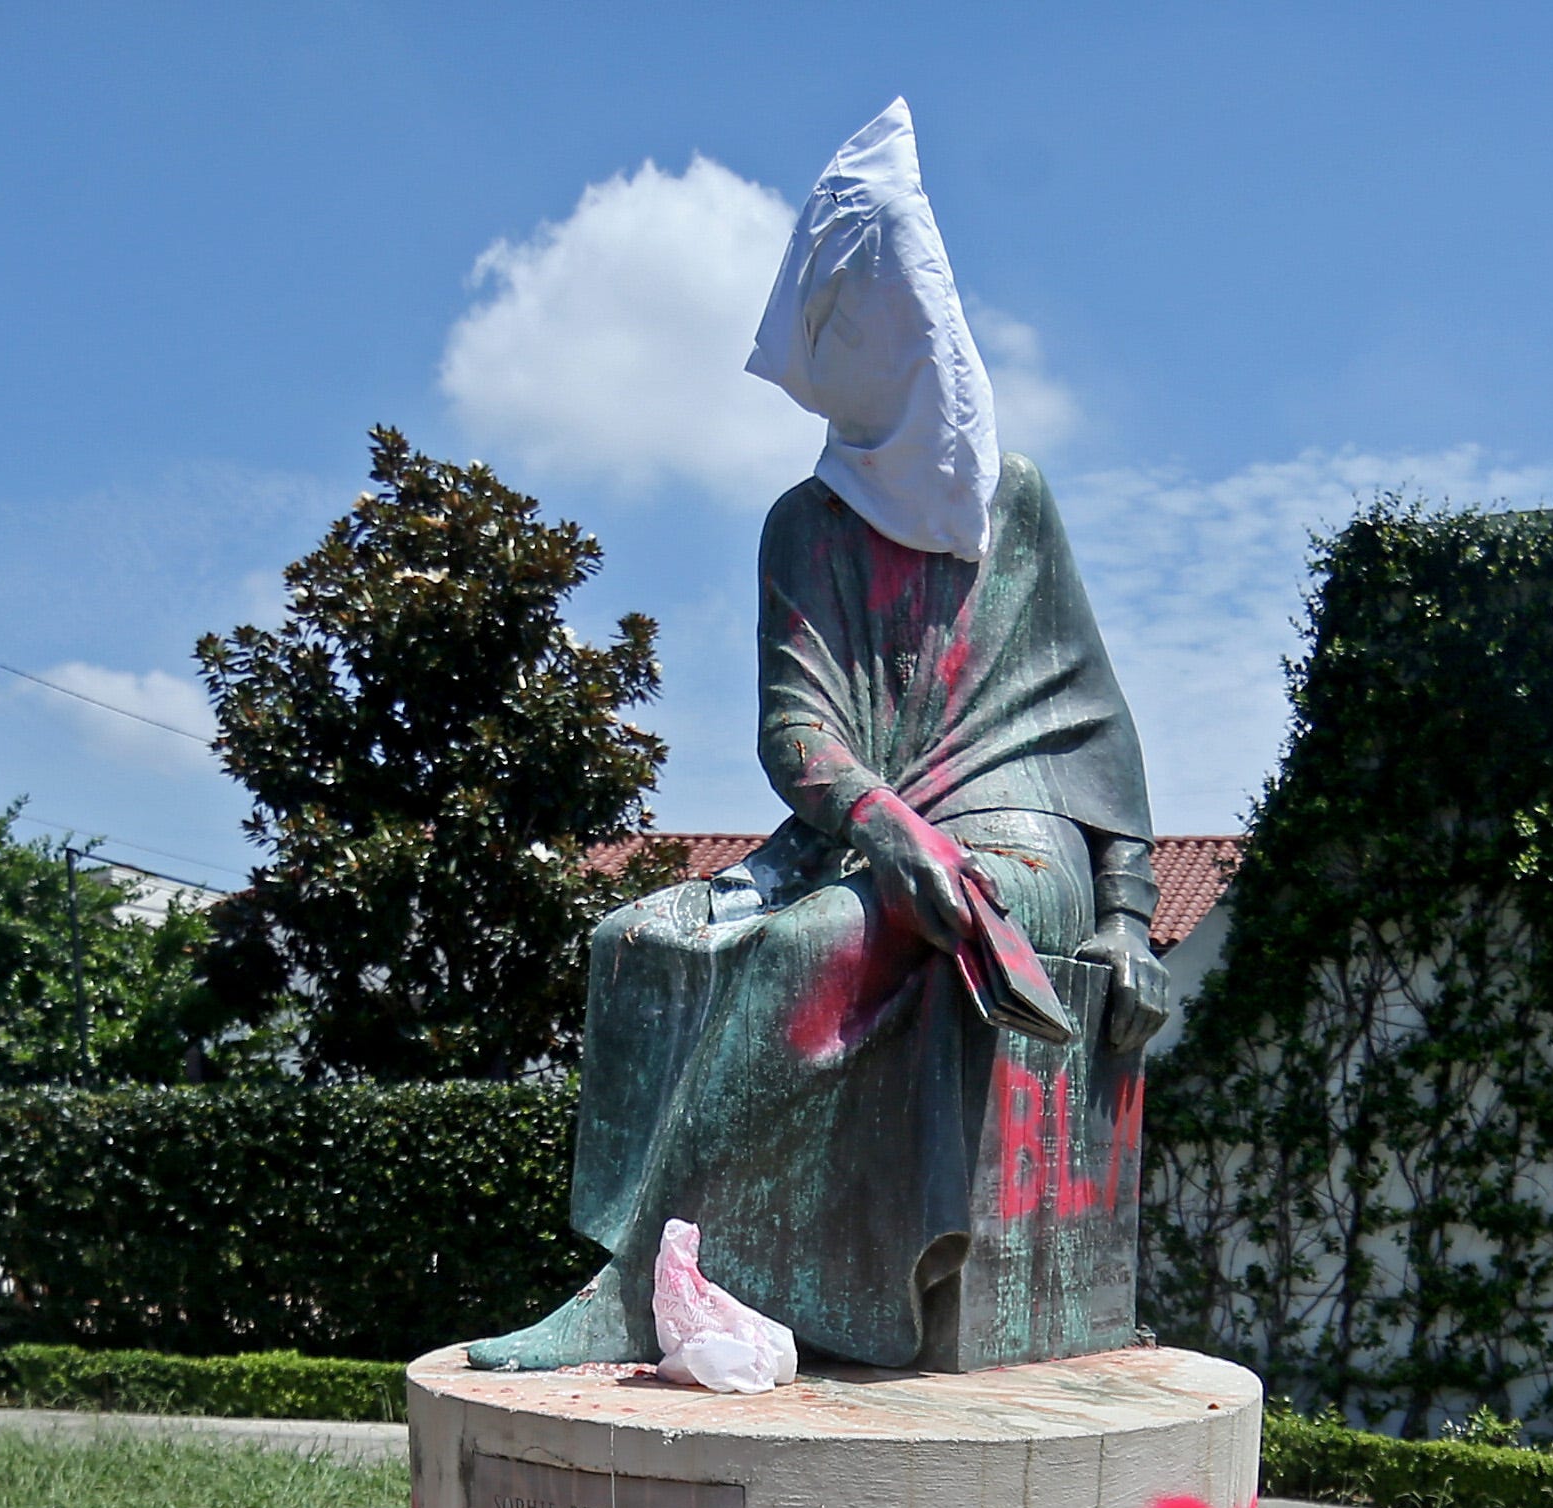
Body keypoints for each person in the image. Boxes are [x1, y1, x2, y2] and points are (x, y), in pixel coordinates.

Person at [467, 100, 1163, 1375]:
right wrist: (886, 828)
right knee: (638, 937)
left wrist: (1125, 917)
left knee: (820, 945)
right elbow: (799, 726)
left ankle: (647, 1289)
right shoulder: (806, 523)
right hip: (860, 830)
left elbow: (1092, 725)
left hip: (1019, 838)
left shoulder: (1019, 508)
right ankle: (710, 1272)